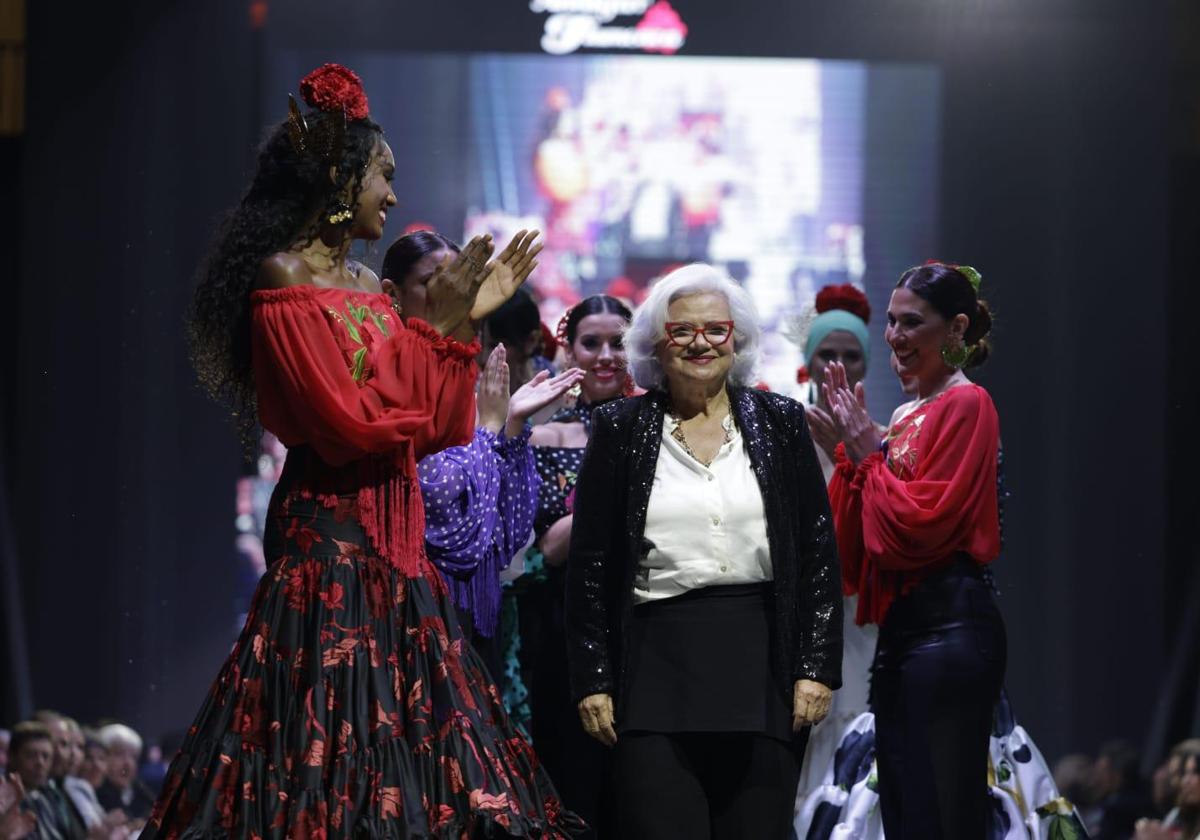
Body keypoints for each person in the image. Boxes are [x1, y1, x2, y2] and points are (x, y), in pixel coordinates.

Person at [143, 64, 581, 837]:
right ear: (342, 180)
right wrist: (430, 330)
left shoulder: (373, 294)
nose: (394, 195)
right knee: (322, 755)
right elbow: (344, 424)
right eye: (385, 176)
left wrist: (451, 327)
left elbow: (441, 424)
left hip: (399, 553)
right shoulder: (284, 278)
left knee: (413, 758)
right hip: (331, 552)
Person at [566, 263, 843, 838]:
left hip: (763, 669)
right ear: (654, 345)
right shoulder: (620, 428)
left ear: (735, 339)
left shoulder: (781, 422)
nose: (700, 343)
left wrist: (815, 667)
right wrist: (593, 678)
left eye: (715, 329)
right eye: (683, 331)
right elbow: (590, 566)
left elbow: (818, 552)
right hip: (653, 669)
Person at [822, 260, 1005, 839]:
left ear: (955, 330)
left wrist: (866, 454)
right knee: (905, 812)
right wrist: (851, 458)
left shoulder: (968, 405)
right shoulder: (904, 417)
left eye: (912, 323)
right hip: (903, 634)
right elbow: (859, 543)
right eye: (893, 323)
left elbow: (916, 529)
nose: (895, 338)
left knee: (943, 816)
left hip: (950, 629)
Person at [381, 229, 585, 680]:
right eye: (437, 283)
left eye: (464, 283)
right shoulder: (387, 364)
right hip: (409, 606)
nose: (456, 295)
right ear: (392, 295)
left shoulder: (464, 369)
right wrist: (492, 429)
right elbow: (432, 496)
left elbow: (504, 528)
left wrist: (510, 427)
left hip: (470, 609)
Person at [516, 294, 633, 834]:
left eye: (620, 343)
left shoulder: (664, 431)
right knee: (573, 784)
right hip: (563, 633)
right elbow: (550, 549)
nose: (607, 355)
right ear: (569, 350)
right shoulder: (544, 437)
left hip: (644, 630)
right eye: (592, 343)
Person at [786, 283, 882, 804]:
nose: (838, 365)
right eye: (827, 353)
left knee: (855, 733)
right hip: (797, 615)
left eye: (850, 355)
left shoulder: (880, 438)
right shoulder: (783, 434)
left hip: (858, 615)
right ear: (809, 360)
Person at [95, 724, 153, 825]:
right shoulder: (94, 793)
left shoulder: (142, 793)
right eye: (119, 754)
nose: (128, 764)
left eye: (133, 757)